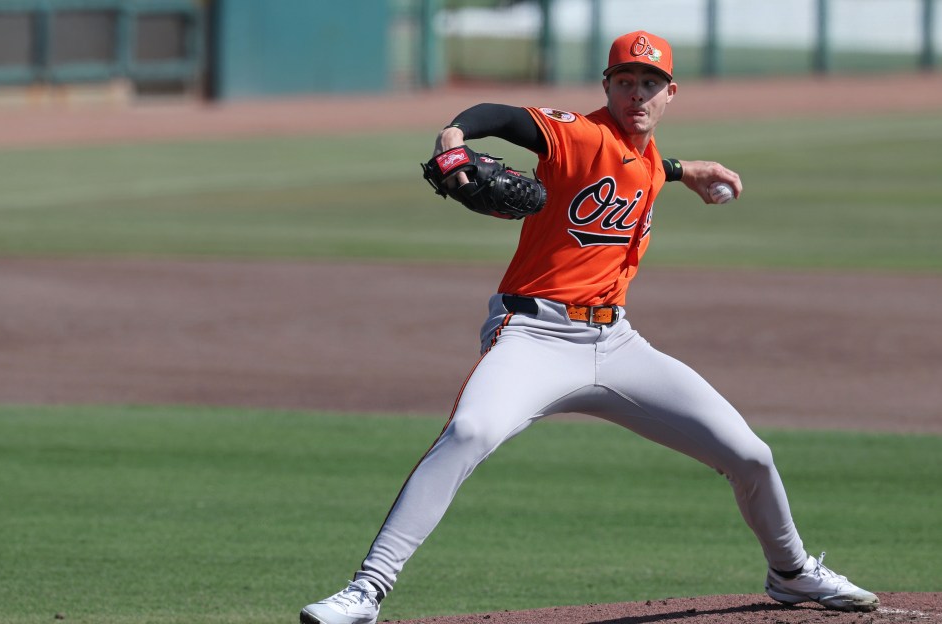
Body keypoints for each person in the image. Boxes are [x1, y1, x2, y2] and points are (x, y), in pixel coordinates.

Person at [299, 31, 878, 624]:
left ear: (670, 92)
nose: (637, 94)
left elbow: (642, 167)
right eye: (624, 81)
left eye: (649, 84)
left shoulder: (648, 160)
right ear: (606, 86)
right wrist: (453, 135)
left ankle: (791, 572)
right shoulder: (576, 132)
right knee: (470, 433)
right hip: (533, 337)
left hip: (617, 344)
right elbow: (498, 117)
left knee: (751, 455)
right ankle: (366, 591)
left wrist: (683, 170)